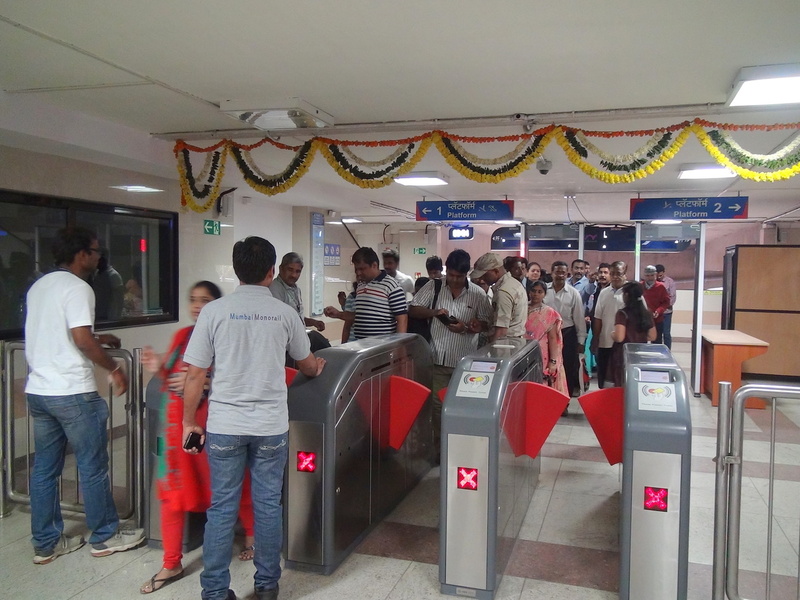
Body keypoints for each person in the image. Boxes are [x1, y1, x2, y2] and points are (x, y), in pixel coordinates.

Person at [182, 236, 326, 600]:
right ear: (272, 271)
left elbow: (195, 374)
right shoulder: (285, 313)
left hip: (225, 426)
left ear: (235, 270)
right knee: (266, 505)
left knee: (222, 507)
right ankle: (266, 586)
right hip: (269, 427)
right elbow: (306, 363)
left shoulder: (214, 312)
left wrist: (189, 422)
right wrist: (317, 366)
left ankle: (214, 592)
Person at [24, 226, 144, 565]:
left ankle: (46, 544)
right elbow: (80, 339)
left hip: (40, 391)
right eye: (94, 250)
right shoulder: (78, 288)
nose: (98, 256)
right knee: (93, 466)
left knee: (45, 469)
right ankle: (105, 536)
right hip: (72, 393)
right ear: (81, 255)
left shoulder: (40, 286)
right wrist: (113, 368)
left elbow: (61, 333)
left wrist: (99, 338)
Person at [138, 281, 256, 594]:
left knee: (229, 484)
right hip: (178, 429)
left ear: (217, 305)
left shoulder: (225, 337)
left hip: (209, 426)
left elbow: (236, 378)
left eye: (204, 300)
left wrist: (205, 382)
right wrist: (160, 370)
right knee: (170, 494)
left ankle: (252, 536)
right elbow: (176, 379)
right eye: (193, 300)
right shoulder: (182, 337)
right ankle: (171, 560)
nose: (196, 306)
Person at [409, 250, 491, 455]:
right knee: (438, 407)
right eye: (452, 275)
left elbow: (486, 322)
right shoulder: (434, 286)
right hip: (437, 358)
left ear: (467, 273)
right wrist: (435, 312)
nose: (454, 280)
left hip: (464, 363)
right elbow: (414, 309)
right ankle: (441, 449)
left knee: (463, 406)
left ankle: (462, 448)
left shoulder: (478, 294)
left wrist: (471, 326)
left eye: (459, 276)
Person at [268, 252, 330, 353]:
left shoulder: (295, 289)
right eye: (290, 270)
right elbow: (279, 322)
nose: (294, 275)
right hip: (286, 347)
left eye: (298, 271)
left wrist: (314, 322)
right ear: (280, 268)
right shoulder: (275, 289)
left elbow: (296, 317)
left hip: (299, 341)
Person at [544, 261, 586, 398]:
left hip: (567, 334)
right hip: (545, 336)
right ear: (551, 272)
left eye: (563, 272)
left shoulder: (573, 293)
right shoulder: (543, 290)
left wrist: (581, 341)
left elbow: (579, 318)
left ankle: (563, 400)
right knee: (547, 366)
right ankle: (548, 397)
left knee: (567, 368)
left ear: (567, 274)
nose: (560, 275)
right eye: (557, 272)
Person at [352, 247, 408, 339]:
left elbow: (402, 319)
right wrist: (339, 314)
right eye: (356, 269)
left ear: (374, 265)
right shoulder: (360, 285)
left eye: (362, 269)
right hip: (360, 344)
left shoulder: (391, 285)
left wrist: (400, 345)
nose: (358, 273)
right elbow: (360, 314)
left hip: (383, 346)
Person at [524, 281, 568, 397]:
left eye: (540, 292)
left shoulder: (549, 313)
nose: (536, 294)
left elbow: (553, 339)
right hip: (523, 351)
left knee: (541, 383)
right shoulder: (522, 309)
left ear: (544, 294)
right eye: (533, 291)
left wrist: (553, 361)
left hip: (541, 353)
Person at [471, 252, 527, 341]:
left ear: (496, 271)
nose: (481, 279)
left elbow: (501, 332)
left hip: (505, 345)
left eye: (484, 275)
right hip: (516, 342)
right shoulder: (514, 284)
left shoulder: (503, 292)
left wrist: (493, 352)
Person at [610, 282, 656, 386]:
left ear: (626, 295)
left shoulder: (622, 313)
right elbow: (652, 336)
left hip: (624, 355)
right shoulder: (646, 313)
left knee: (622, 386)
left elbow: (619, 337)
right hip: (640, 355)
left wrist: (612, 334)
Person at [592, 260, 628, 388]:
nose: (615, 277)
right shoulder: (604, 292)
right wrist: (595, 339)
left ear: (625, 274)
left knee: (622, 379)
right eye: (612, 274)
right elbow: (598, 318)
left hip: (625, 344)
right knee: (604, 379)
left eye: (618, 273)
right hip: (605, 342)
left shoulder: (632, 293)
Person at [640, 265, 671, 345]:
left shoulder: (661, 287)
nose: (650, 278)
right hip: (642, 320)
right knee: (641, 342)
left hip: (657, 320)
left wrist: (659, 311)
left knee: (657, 343)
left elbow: (666, 302)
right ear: (644, 276)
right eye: (647, 275)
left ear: (656, 275)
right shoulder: (640, 286)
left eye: (652, 275)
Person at [656, 264, 677, 348]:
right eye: (657, 275)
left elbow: (673, 297)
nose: (659, 277)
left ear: (664, 272)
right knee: (657, 333)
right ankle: (656, 350)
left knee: (666, 333)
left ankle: (668, 351)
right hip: (656, 313)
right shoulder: (654, 282)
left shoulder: (670, 282)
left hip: (666, 312)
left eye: (661, 275)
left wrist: (663, 306)